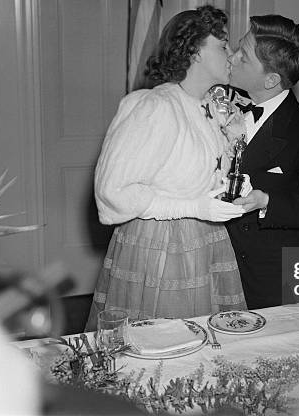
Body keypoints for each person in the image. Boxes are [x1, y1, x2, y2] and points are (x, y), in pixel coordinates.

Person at [87, 5, 247, 328]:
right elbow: (111, 192)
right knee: (165, 348)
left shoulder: (209, 107)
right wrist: (193, 207)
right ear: (196, 51)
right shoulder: (155, 107)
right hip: (161, 248)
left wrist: (232, 183)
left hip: (206, 242)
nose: (231, 54)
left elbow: (194, 170)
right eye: (223, 44)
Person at [225, 15, 299, 309]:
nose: (232, 56)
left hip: (272, 279)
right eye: (237, 48)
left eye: (244, 56)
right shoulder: (218, 104)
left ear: (270, 80)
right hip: (215, 265)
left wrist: (267, 201)